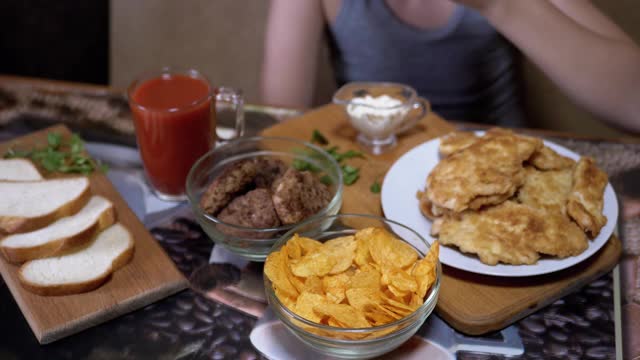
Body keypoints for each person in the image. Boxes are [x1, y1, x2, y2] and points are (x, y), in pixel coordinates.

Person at [260, 0, 640, 131]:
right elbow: (280, 119)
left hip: (505, 167)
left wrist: (499, 5)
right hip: (375, 169)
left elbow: (633, 103)